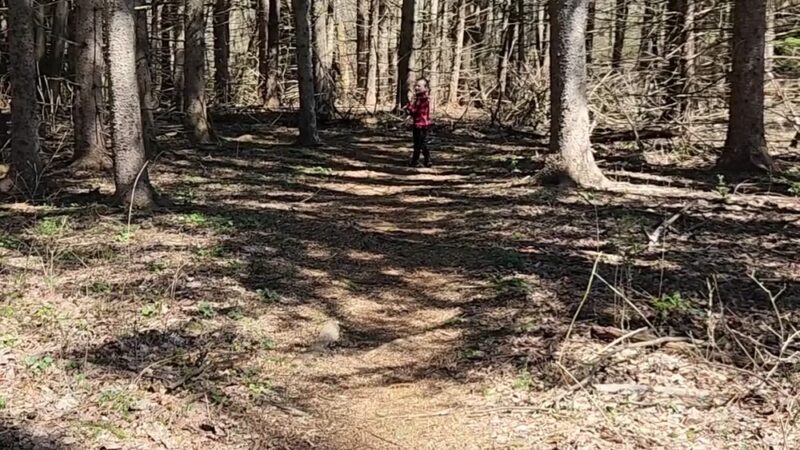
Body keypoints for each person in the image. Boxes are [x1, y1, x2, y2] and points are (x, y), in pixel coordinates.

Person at [405, 78, 432, 167]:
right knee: (421, 143)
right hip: (421, 124)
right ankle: (425, 160)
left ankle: (418, 161)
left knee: (419, 144)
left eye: (419, 86)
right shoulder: (420, 98)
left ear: (425, 88)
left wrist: (409, 106)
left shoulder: (422, 99)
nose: (416, 88)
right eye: (416, 85)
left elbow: (414, 111)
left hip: (421, 125)